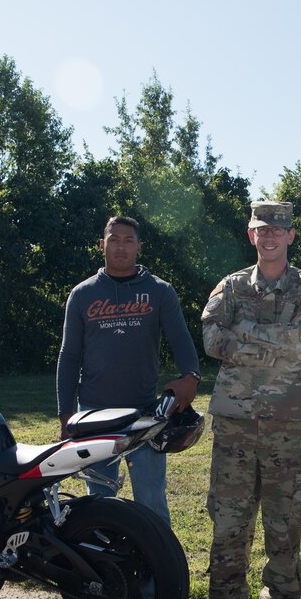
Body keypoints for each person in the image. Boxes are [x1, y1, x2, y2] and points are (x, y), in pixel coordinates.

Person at [199, 200, 301, 599]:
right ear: (251, 235)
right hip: (235, 425)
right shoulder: (231, 286)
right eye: (261, 229)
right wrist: (272, 342)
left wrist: (247, 332)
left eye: (278, 230)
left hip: (288, 427)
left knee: (284, 525)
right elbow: (213, 339)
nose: (269, 236)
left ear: (290, 235)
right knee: (229, 524)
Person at [56, 215, 200, 526]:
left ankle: (160, 570)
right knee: (100, 502)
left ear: (139, 247)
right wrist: (65, 413)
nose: (121, 246)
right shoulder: (83, 294)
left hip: (146, 413)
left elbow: (181, 340)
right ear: (101, 245)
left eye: (128, 240)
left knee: (151, 500)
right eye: (114, 239)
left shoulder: (159, 291)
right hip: (94, 413)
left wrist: (191, 375)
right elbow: (68, 356)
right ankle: (108, 568)